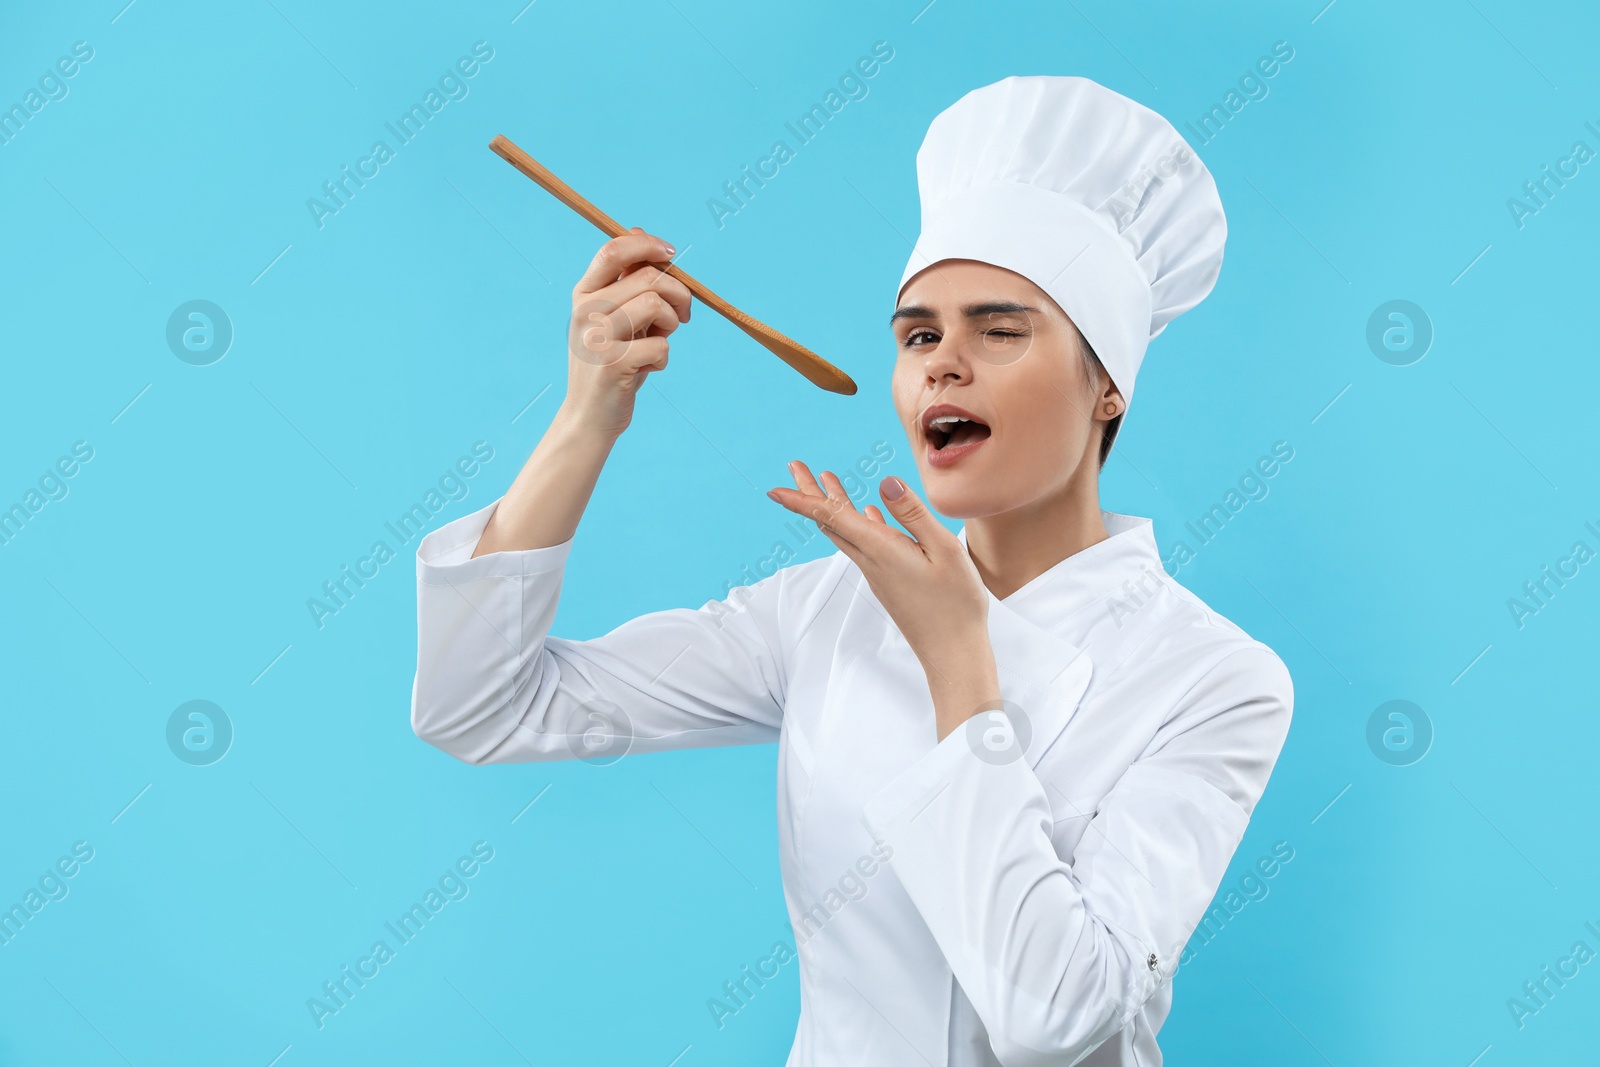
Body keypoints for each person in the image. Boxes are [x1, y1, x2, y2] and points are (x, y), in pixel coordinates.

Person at [411, 75, 1292, 1066]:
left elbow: (1056, 1020)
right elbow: (480, 708)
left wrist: (957, 652)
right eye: (918, 333)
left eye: (998, 329)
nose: (940, 363)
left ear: (1107, 388)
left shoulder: (1215, 677)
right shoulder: (825, 609)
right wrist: (588, 415)